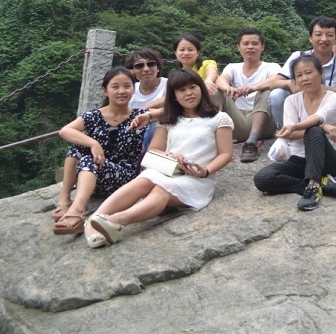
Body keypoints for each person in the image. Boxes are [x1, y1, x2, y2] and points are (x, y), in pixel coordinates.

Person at [85, 69, 234, 247]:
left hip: (196, 179)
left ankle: (116, 221)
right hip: (169, 170)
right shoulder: (169, 119)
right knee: (144, 179)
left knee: (161, 190)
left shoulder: (219, 118)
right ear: (174, 96)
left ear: (201, 88)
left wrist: (206, 171)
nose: (189, 93)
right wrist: (170, 155)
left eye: (193, 87)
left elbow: (225, 154)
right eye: (181, 90)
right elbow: (154, 150)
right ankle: (94, 219)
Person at [53, 67, 147, 235]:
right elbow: (65, 131)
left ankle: (77, 210)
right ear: (105, 90)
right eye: (115, 87)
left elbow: (169, 111)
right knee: (77, 148)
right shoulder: (94, 115)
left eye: (127, 86)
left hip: (125, 179)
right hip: (92, 178)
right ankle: (64, 199)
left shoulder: (141, 116)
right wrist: (93, 143)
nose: (121, 91)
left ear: (134, 89)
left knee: (88, 159)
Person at [254, 55, 336, 211]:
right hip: (298, 158)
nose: (304, 78)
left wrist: (298, 127)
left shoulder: (335, 99)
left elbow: (316, 118)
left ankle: (314, 188)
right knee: (262, 179)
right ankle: (319, 185)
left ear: (321, 73)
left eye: (309, 72)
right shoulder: (291, 101)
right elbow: (290, 134)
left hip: (328, 160)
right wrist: (323, 127)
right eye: (299, 75)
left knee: (314, 130)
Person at [263, 16, 336, 130]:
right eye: (318, 34)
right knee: (276, 95)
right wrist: (290, 83)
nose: (324, 39)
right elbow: (274, 83)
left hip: (327, 117)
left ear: (335, 38)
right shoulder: (298, 56)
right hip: (299, 110)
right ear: (310, 38)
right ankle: (288, 131)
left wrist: (319, 88)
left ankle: (324, 134)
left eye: (329, 35)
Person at [214, 28, 281, 162]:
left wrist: (254, 87)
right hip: (238, 120)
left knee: (267, 90)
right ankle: (210, 136)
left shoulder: (271, 67)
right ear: (238, 47)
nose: (250, 47)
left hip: (264, 123)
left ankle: (251, 142)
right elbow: (221, 79)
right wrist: (228, 88)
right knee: (215, 90)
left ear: (262, 47)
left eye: (255, 43)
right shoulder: (233, 67)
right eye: (246, 43)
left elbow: (277, 79)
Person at [127, 48, 168, 150]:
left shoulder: (169, 85)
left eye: (151, 64)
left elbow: (173, 103)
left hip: (160, 134)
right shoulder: (130, 89)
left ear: (158, 68)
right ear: (132, 71)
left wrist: (143, 110)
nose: (146, 69)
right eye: (139, 66)